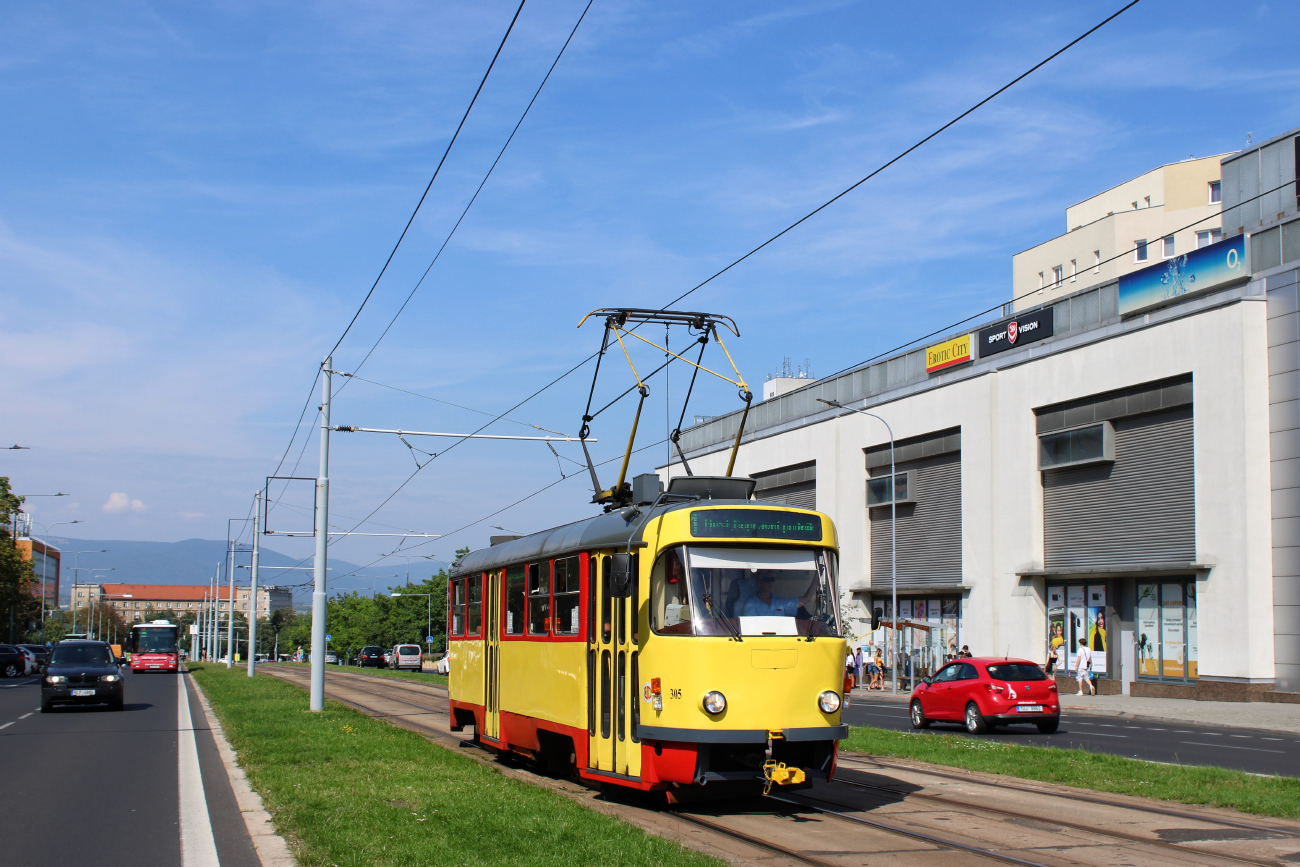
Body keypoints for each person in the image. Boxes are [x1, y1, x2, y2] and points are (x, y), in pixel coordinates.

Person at [742, 573, 818, 617]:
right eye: (766, 580)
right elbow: (751, 627)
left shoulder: (780, 602)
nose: (770, 582)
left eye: (772, 579)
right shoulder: (751, 604)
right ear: (758, 582)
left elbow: (806, 599)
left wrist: (818, 575)